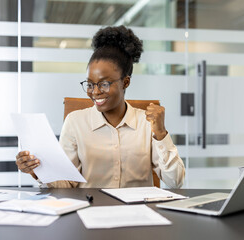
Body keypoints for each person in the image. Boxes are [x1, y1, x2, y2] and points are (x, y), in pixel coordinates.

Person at [16, 25, 185, 188]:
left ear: (125, 82)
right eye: (90, 84)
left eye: (104, 84)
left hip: (138, 212)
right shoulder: (75, 122)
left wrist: (161, 134)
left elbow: (175, 181)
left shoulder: (147, 123)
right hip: (90, 210)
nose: (95, 92)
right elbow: (66, 185)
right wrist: (38, 171)